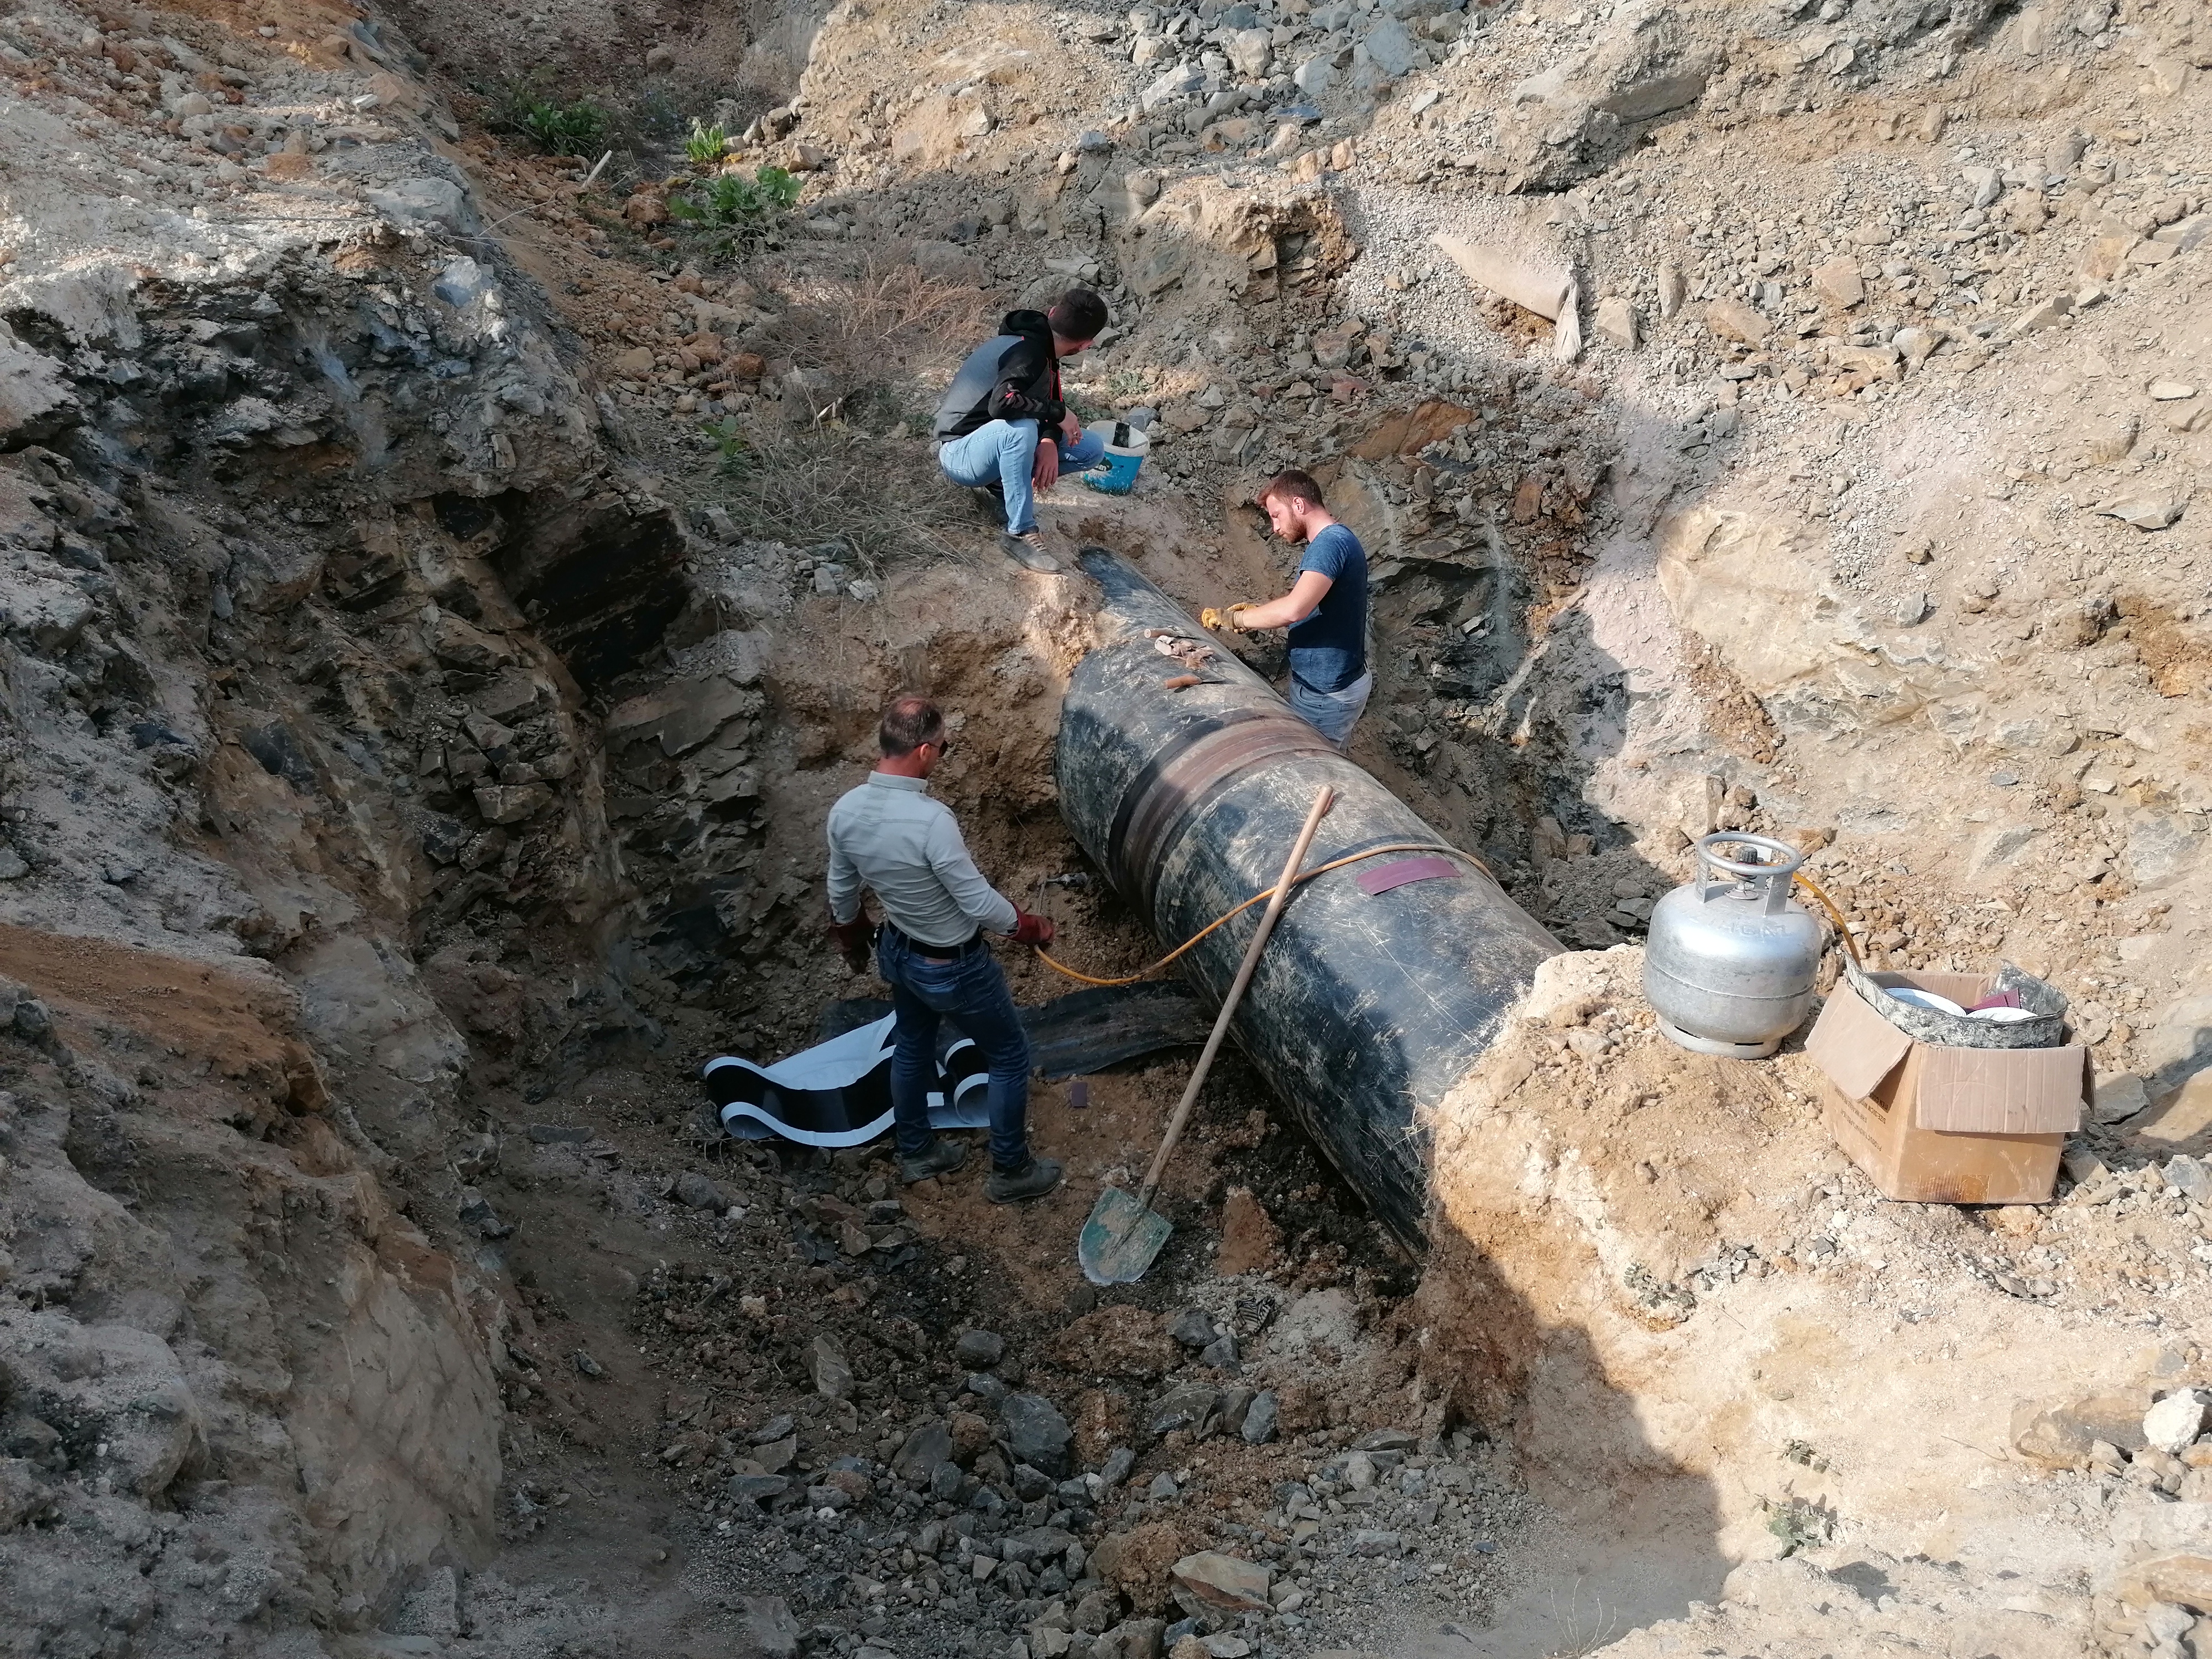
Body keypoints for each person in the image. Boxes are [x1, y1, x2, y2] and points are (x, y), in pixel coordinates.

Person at [823, 695, 1064, 1202]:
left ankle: (917, 1152)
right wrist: (1029, 928)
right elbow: (976, 900)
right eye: (945, 746)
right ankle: (1011, 1171)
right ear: (927, 752)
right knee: (1009, 1056)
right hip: (953, 967)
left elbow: (842, 892)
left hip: (899, 953)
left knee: (912, 1046)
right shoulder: (931, 821)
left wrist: (851, 938)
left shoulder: (845, 811)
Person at [932, 290, 1110, 570]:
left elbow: (1047, 401)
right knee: (1022, 430)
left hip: (990, 445)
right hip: (960, 454)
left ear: (1052, 313)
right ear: (1087, 344)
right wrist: (1058, 414)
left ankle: (1001, 487)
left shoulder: (1043, 347)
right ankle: (1019, 533)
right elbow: (1002, 405)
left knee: (1090, 448)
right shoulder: (1028, 351)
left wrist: (1050, 441)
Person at [1201, 469, 1372, 748]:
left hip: (1326, 695)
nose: (1275, 528)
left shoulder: (1328, 545)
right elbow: (1310, 601)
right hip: (1337, 683)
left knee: (1313, 764)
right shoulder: (1340, 539)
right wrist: (1259, 612)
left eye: (1276, 515)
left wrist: (1235, 619)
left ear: (1299, 505)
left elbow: (1295, 609)